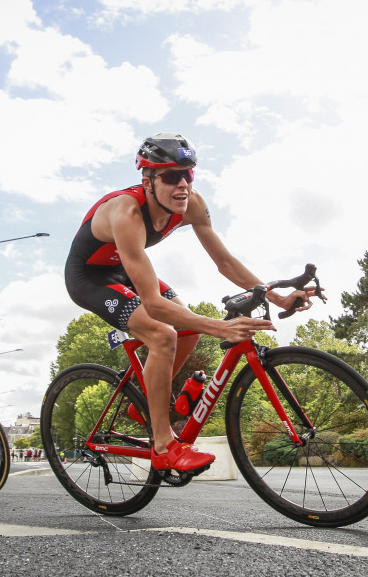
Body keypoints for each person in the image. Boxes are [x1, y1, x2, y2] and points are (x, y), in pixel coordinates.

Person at [64, 133, 312, 473]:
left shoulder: (191, 203)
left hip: (123, 267)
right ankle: (164, 446)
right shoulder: (126, 212)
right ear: (148, 181)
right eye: (170, 176)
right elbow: (152, 304)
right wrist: (221, 327)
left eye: (188, 174)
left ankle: (146, 404)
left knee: (188, 329)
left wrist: (277, 296)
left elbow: (224, 262)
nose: (182, 185)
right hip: (90, 278)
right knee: (163, 334)